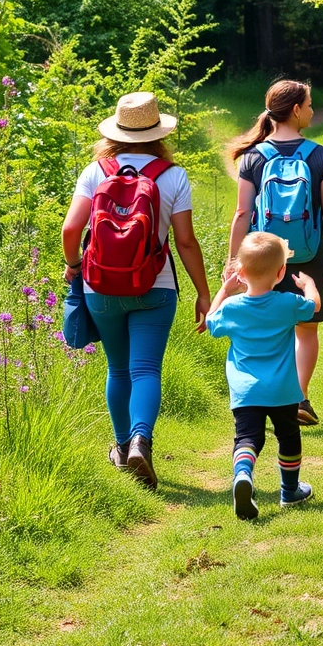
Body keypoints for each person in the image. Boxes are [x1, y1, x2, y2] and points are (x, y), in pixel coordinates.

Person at [61, 91, 211, 490]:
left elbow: (70, 230)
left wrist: (75, 266)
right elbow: (186, 242)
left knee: (118, 367)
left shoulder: (96, 171)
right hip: (155, 285)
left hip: (100, 286)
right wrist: (203, 291)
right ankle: (142, 442)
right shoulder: (173, 175)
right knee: (146, 368)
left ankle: (122, 445)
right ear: (157, 133)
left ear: (117, 130)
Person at [227, 79, 323, 427]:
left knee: (267, 324)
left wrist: (234, 260)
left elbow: (242, 213)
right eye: (308, 104)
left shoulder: (253, 157)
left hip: (264, 253)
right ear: (295, 110)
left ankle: (264, 398)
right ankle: (299, 398)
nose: (311, 110)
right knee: (306, 329)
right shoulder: (320, 155)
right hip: (308, 253)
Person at [204, 231, 320, 519]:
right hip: (282, 390)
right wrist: (310, 285)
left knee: (248, 438)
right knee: (288, 437)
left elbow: (210, 322)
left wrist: (224, 291)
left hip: (245, 392)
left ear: (240, 272)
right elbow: (314, 306)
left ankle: (243, 475)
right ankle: (290, 491)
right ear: (281, 272)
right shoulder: (287, 304)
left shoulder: (232, 308)